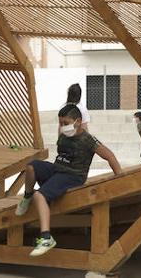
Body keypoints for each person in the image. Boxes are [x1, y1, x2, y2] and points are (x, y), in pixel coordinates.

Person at [16, 104, 121, 256]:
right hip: (57, 169)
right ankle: (27, 196)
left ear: (77, 121)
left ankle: (46, 237)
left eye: (65, 123)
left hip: (73, 176)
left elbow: (109, 156)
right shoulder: (63, 134)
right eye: (60, 123)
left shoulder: (88, 140)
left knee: (40, 196)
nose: (62, 126)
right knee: (31, 167)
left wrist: (120, 178)